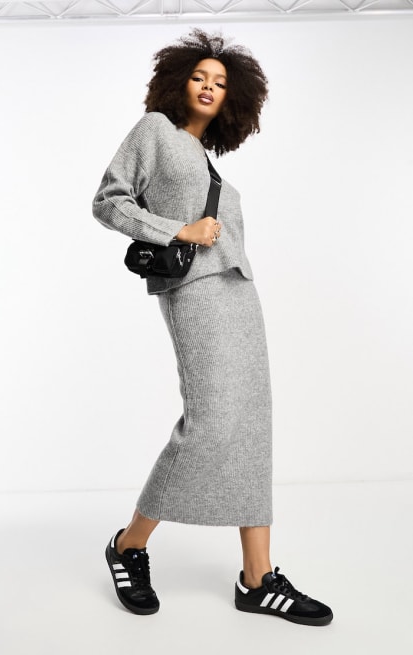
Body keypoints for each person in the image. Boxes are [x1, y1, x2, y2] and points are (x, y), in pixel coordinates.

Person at [92, 29, 333, 626]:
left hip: (240, 295)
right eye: (200, 77)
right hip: (195, 292)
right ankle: (128, 545)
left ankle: (257, 578)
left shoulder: (204, 156)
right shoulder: (154, 131)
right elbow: (109, 201)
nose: (208, 87)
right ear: (179, 82)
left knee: (251, 424)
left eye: (220, 83)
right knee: (209, 423)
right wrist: (178, 230)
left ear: (233, 99)